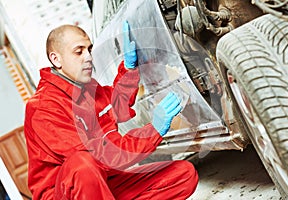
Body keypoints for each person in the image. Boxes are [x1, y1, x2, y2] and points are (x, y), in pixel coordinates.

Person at [24, 21, 198, 200]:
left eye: (89, 50)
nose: (88, 57)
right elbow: (101, 154)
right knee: (82, 164)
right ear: (56, 59)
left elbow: (114, 104)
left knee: (182, 174)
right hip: (69, 193)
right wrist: (151, 131)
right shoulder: (42, 108)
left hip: (103, 184)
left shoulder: (85, 89)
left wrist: (129, 69)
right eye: (79, 51)